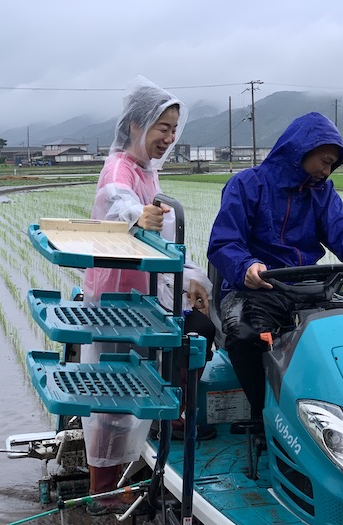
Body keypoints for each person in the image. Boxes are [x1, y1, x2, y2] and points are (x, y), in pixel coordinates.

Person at [207, 111, 343, 423]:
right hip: (256, 290)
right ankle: (265, 417)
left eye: (332, 165)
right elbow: (223, 243)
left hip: (307, 289)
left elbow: (342, 229)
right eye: (324, 161)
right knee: (244, 336)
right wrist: (247, 267)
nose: (327, 170)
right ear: (301, 149)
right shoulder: (246, 185)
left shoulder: (321, 193)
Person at [81, 76, 216, 516]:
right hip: (115, 301)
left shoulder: (147, 170)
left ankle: (135, 461)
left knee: (143, 377)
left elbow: (164, 237)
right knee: (112, 394)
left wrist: (193, 278)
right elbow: (116, 202)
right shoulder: (120, 168)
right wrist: (137, 213)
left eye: (174, 129)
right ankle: (102, 489)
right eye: (163, 127)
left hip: (143, 294)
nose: (169, 137)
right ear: (137, 124)